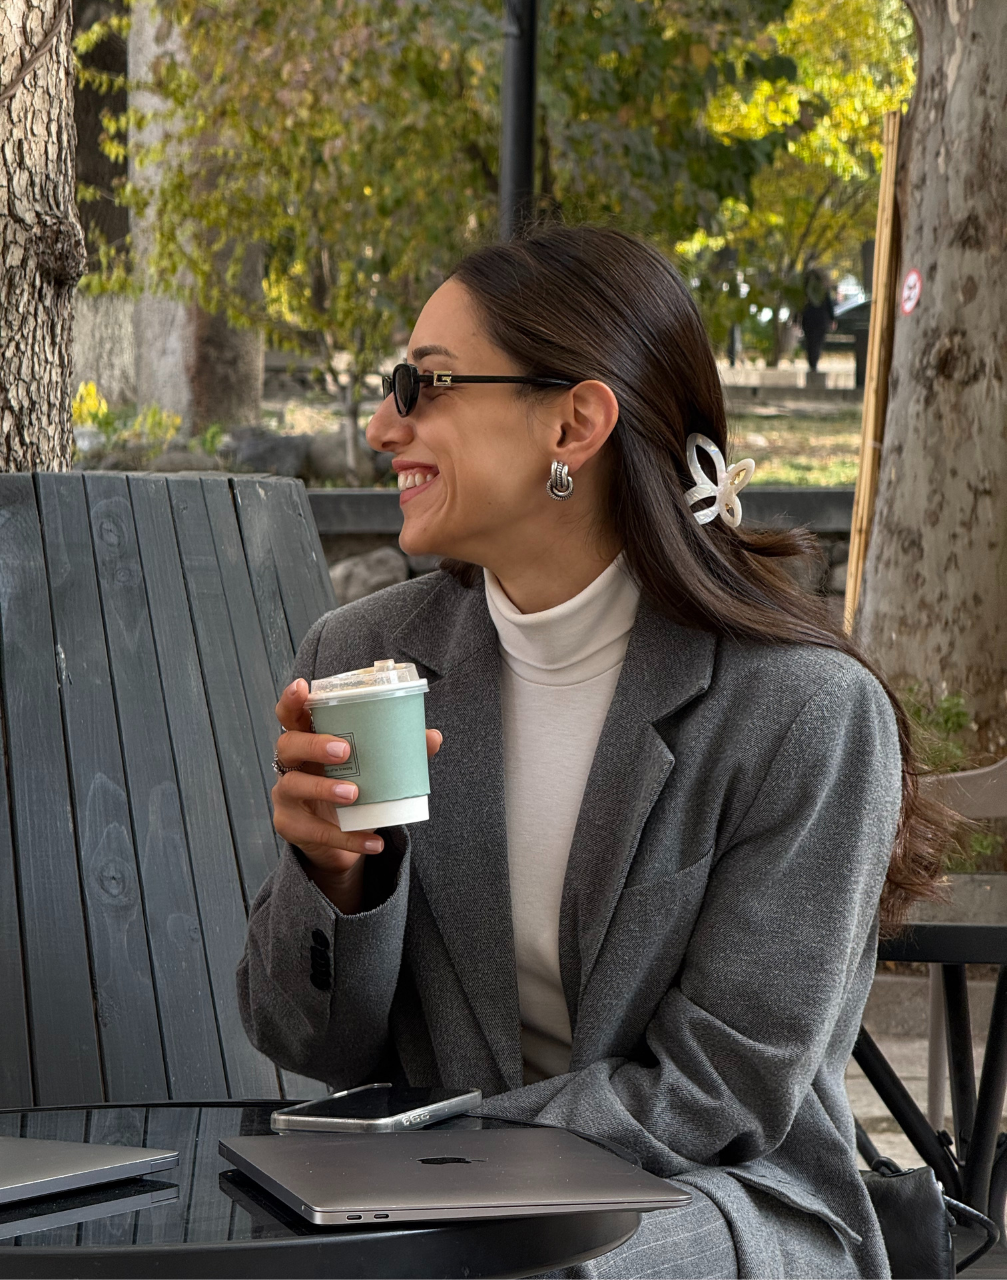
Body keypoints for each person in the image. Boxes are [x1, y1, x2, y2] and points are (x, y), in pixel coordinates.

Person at [239, 226, 946, 1279]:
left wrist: (426, 1154)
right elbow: (305, 1041)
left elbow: (717, 1091)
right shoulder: (362, 660)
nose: (385, 424)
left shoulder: (799, 710)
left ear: (573, 421)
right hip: (430, 1204)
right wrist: (339, 885)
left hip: (720, 1197)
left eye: (423, 384)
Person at [799, 269, 836, 373]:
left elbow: (799, 307)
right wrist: (832, 319)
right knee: (816, 342)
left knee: (811, 342)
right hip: (820, 320)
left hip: (809, 320)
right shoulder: (822, 290)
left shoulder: (806, 291)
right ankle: (813, 363)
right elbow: (829, 306)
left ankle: (812, 363)